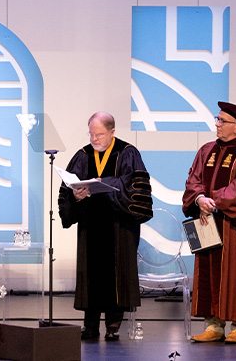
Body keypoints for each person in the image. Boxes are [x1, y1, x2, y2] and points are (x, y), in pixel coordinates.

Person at [58, 112, 154, 341]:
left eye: (99, 134)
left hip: (119, 226)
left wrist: (105, 183)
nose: (94, 139)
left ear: (112, 131)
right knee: (90, 274)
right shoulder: (83, 155)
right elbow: (68, 188)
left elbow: (136, 187)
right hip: (91, 226)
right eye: (91, 133)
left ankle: (113, 326)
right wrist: (78, 196)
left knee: (117, 274)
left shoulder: (128, 153)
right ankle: (90, 326)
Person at [182, 101, 236, 344]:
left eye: (222, 121)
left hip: (235, 225)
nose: (217, 124)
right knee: (207, 272)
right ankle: (213, 325)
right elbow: (193, 180)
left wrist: (214, 200)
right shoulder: (206, 150)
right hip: (207, 221)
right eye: (217, 120)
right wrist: (198, 198)